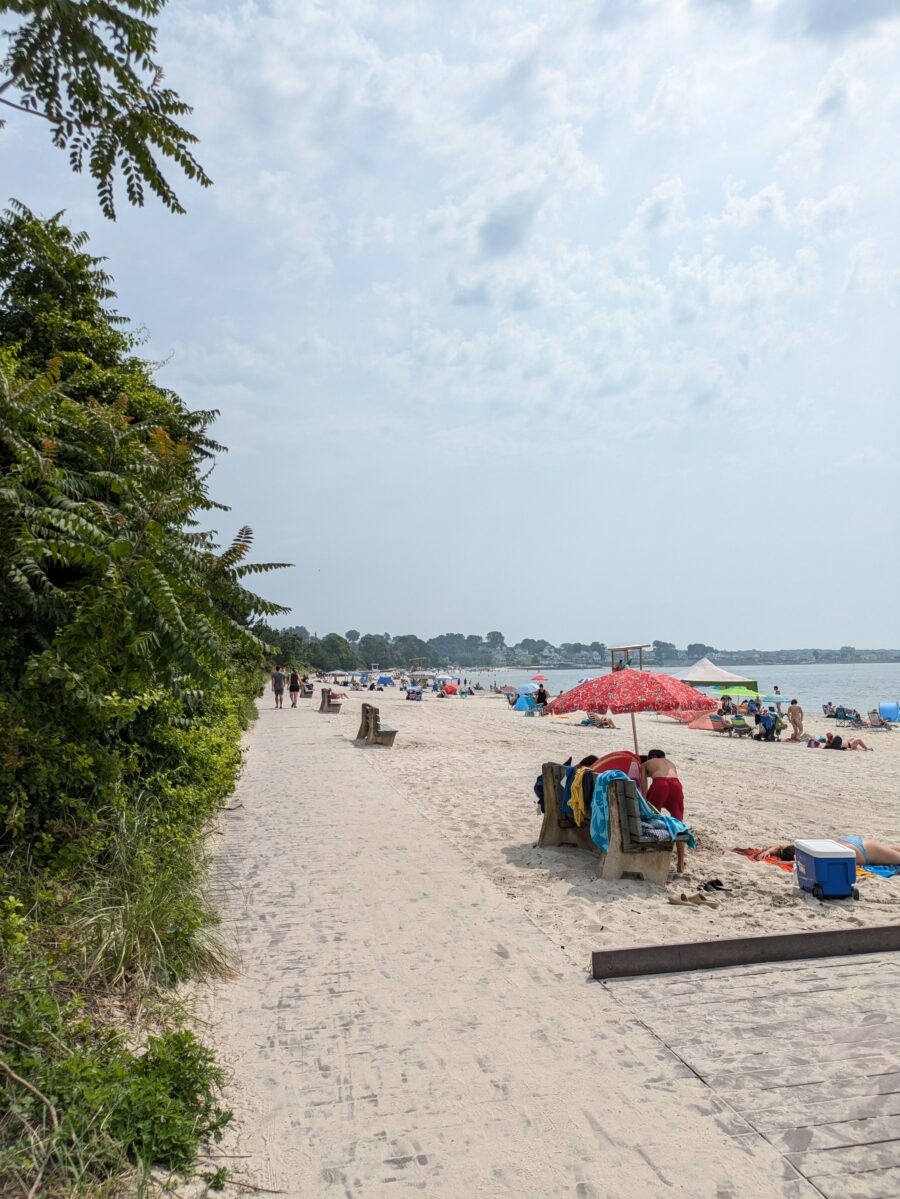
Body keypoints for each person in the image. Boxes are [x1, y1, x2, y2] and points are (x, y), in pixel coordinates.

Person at [641, 749, 687, 875]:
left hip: (660, 784)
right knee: (678, 822)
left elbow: (644, 791)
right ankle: (681, 863)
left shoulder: (645, 764)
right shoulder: (670, 763)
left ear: (649, 757)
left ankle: (653, 857)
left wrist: (645, 801)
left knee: (652, 819)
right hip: (676, 785)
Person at [758, 838, 900, 867]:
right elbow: (780, 846)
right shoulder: (810, 845)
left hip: (866, 852)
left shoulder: (813, 856)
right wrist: (770, 850)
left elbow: (801, 861)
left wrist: (784, 862)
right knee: (891, 849)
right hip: (852, 841)